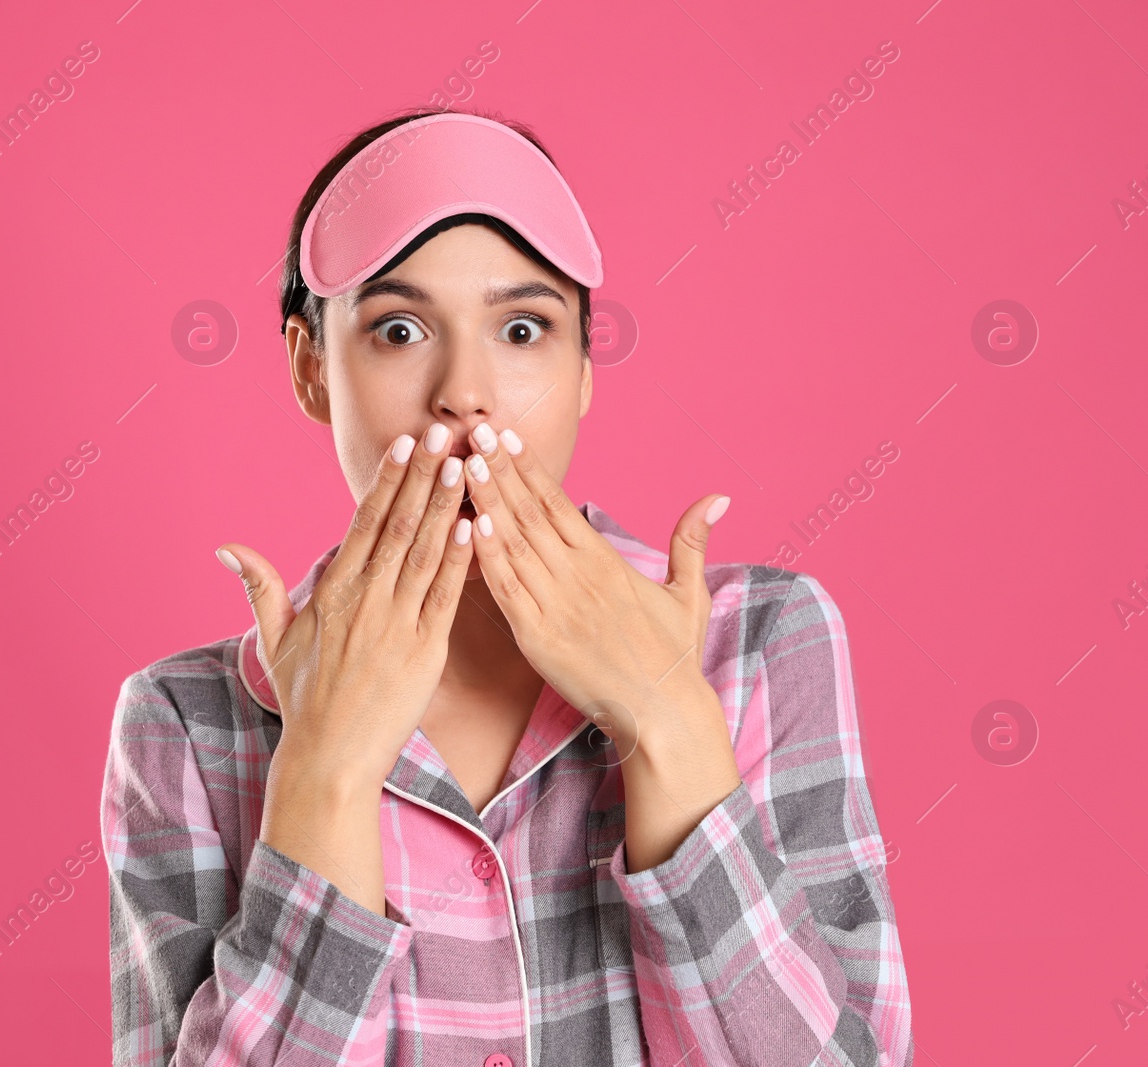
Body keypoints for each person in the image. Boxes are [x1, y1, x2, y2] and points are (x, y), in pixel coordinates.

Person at [101, 108, 914, 1067]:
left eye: (523, 328)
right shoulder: (186, 723)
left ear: (581, 372)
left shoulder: (764, 644)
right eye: (399, 329)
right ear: (310, 367)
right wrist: (324, 771)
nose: (465, 391)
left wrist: (666, 721)